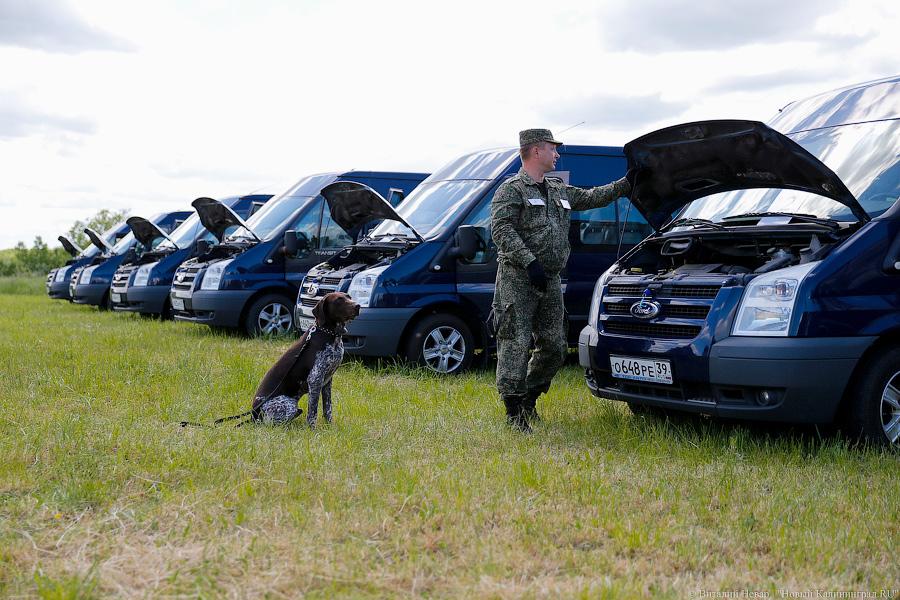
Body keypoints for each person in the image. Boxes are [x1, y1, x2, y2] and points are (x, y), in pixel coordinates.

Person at [490, 128, 633, 431]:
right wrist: (530, 264)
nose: (557, 155)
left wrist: (625, 184)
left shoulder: (557, 189)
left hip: (550, 279)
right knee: (515, 342)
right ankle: (514, 412)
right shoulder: (511, 189)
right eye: (552, 149)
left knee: (555, 346)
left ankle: (529, 398)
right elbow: (501, 230)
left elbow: (592, 196)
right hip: (518, 278)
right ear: (536, 151)